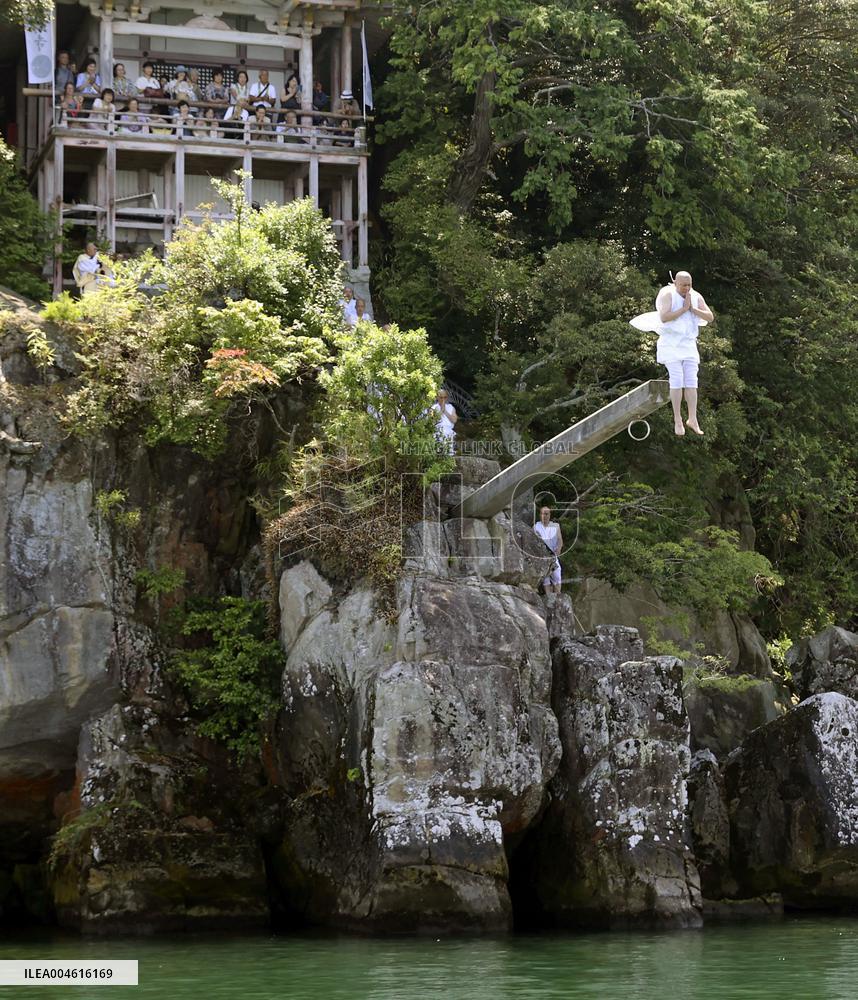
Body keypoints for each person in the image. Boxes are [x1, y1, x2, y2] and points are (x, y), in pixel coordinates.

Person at [629, 270, 714, 436]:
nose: (687, 288)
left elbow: (710, 317)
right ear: (675, 283)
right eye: (683, 285)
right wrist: (683, 309)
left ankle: (692, 418)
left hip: (688, 343)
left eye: (689, 285)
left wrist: (692, 309)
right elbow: (664, 317)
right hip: (670, 343)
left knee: (691, 380)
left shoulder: (695, 295)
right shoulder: (667, 294)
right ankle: (677, 419)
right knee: (677, 379)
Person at [533, 506, 563, 595]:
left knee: (557, 575)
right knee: (546, 579)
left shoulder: (555, 526)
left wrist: (559, 548)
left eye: (546, 514)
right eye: (542, 514)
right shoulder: (536, 527)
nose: (544, 516)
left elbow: (560, 540)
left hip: (553, 555)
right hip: (542, 556)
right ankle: (548, 598)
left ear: (549, 515)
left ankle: (558, 596)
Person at [432, 387, 457, 454]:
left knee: (448, 453)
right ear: (437, 397)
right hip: (436, 432)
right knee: (437, 453)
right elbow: (432, 421)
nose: (443, 399)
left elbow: (454, 420)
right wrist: (441, 411)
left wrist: (445, 411)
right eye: (441, 397)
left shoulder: (451, 407)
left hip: (448, 433)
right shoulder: (433, 408)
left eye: (445, 397)